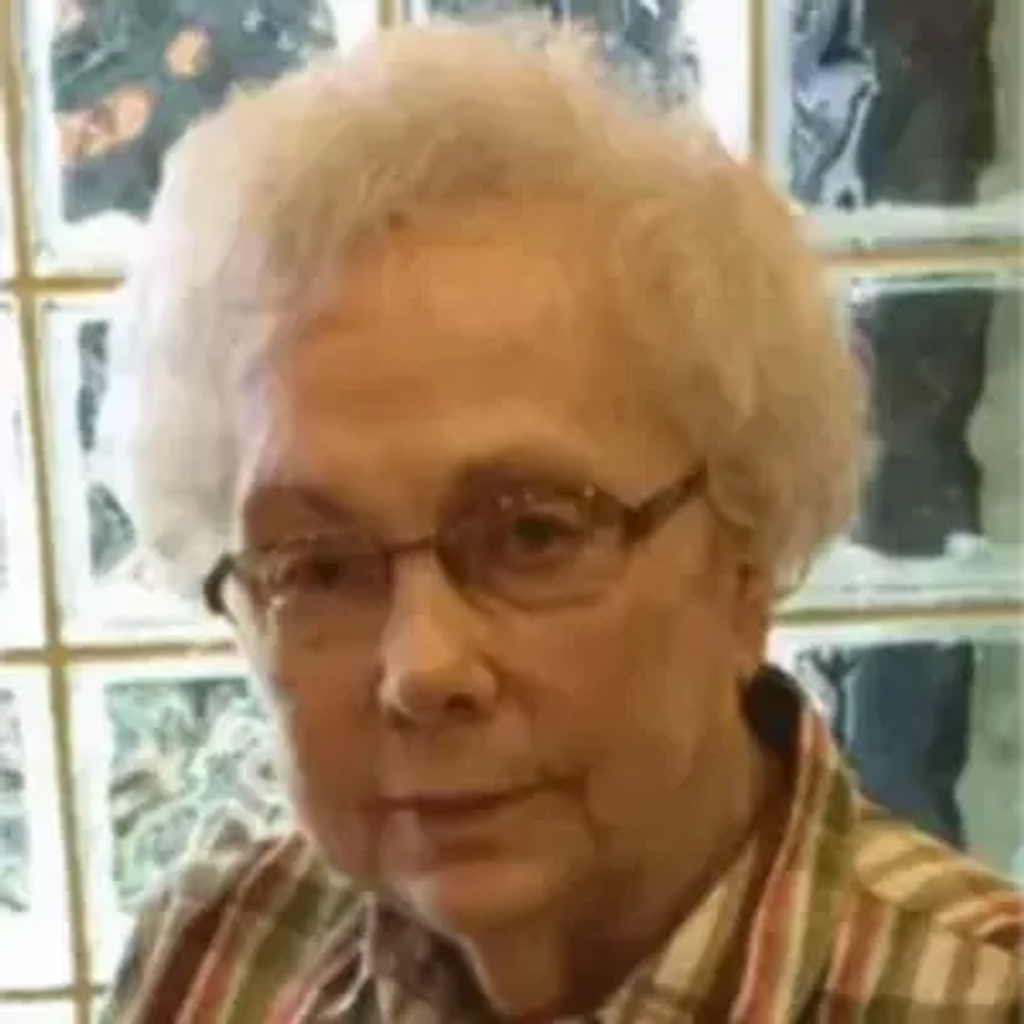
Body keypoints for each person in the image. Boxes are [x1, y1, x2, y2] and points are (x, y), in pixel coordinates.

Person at [100, 20, 1024, 1022]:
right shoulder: (218, 958)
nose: (424, 671)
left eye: (533, 534)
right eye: (320, 568)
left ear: (745, 559)